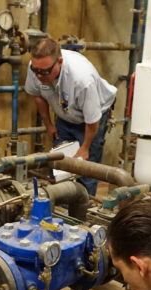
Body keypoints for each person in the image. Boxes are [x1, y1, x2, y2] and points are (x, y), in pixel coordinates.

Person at [24, 37, 117, 196]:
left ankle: (83, 209)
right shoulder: (37, 67)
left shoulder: (82, 79)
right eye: (36, 71)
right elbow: (38, 95)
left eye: (44, 71)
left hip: (92, 118)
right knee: (61, 165)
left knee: (85, 168)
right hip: (65, 113)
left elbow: (92, 120)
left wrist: (85, 147)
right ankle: (62, 203)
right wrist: (49, 125)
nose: (39, 76)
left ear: (59, 61)